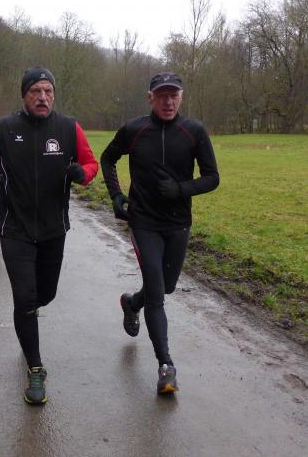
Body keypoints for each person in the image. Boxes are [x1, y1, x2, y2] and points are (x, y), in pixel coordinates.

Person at [0, 67, 99, 405]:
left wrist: (82, 174)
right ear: (24, 95)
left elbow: (90, 163)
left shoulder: (68, 128)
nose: (42, 97)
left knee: (45, 294)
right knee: (24, 299)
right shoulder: (3, 128)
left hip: (54, 227)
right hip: (15, 227)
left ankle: (30, 314)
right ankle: (35, 367)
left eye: (48, 91)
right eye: (35, 91)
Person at [100, 72, 219, 395]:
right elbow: (108, 158)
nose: (168, 102)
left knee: (165, 287)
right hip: (144, 222)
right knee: (157, 293)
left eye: (173, 95)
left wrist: (181, 189)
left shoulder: (193, 131)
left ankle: (131, 303)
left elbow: (212, 178)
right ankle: (166, 366)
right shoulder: (135, 129)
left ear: (181, 97)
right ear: (150, 97)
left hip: (178, 223)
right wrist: (116, 195)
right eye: (162, 95)